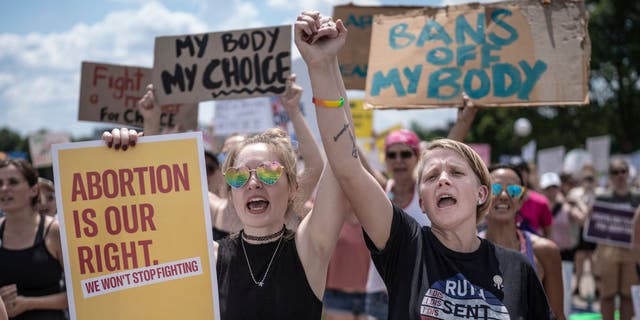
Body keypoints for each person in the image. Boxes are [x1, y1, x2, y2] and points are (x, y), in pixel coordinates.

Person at [294, 10, 552, 319]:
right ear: (423, 203)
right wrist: (323, 66)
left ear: (483, 193)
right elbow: (346, 167)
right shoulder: (407, 247)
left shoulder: (518, 268)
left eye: (456, 172)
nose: (443, 179)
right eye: (431, 176)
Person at [483, 166, 565, 319]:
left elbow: (557, 315)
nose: (504, 195)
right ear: (482, 196)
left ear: (521, 201)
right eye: (495, 188)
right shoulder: (466, 248)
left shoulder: (544, 251)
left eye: (513, 190)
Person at [0, 159, 67, 319]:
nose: (4, 189)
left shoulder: (55, 231)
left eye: (13, 182)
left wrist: (29, 303)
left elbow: (79, 294)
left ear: (34, 189)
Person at [591, 158, 640, 320]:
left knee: (628, 295)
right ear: (610, 175)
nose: (620, 175)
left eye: (623, 171)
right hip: (607, 250)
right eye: (615, 172)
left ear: (628, 173)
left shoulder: (637, 197)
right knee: (607, 294)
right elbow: (592, 223)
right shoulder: (601, 197)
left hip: (632, 251)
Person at [511, 158, 554, 237]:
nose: (518, 174)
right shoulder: (500, 201)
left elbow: (548, 234)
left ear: (528, 174)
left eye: (521, 170)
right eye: (514, 170)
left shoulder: (541, 202)